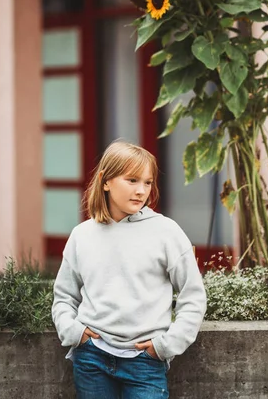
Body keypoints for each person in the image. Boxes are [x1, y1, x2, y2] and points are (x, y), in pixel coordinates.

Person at [52, 139, 207, 399]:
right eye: (132, 180)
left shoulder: (166, 232)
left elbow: (193, 296)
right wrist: (74, 333)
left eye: (147, 182)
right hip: (91, 360)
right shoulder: (82, 235)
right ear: (105, 181)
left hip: (145, 363)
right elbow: (64, 296)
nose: (141, 190)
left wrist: (165, 346)